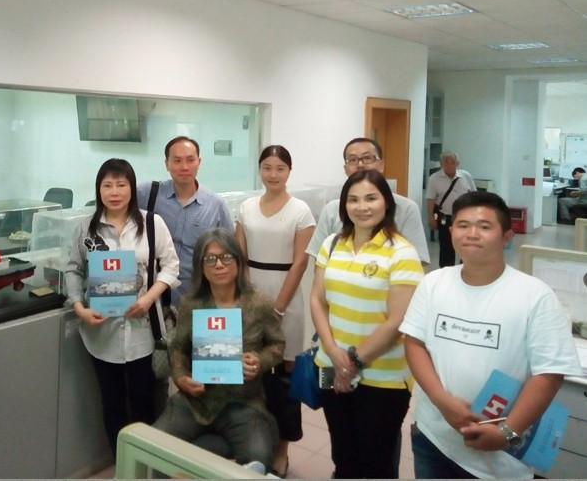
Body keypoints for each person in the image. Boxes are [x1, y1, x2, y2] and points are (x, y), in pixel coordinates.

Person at [400, 191, 581, 479]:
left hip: (498, 457)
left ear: (507, 236)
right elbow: (414, 343)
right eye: (463, 225)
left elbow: (549, 373)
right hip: (432, 436)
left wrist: (507, 433)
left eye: (484, 227)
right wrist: (442, 401)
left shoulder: (534, 295)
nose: (472, 234)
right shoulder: (434, 283)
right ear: (451, 231)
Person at [309, 169, 424, 479]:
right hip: (329, 365)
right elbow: (317, 300)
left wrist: (352, 363)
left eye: (371, 198)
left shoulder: (402, 252)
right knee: (342, 452)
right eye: (353, 199)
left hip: (382, 377)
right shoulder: (332, 244)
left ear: (387, 203)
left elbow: (398, 321)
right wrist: (332, 352)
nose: (362, 207)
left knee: (376, 462)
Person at [65, 158, 180, 455]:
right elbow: (74, 270)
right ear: (99, 189)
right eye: (107, 185)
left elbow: (171, 266)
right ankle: (122, 465)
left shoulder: (152, 223)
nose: (114, 192)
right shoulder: (86, 228)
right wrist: (79, 307)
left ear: (131, 188)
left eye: (121, 184)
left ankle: (145, 466)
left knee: (143, 403)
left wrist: (148, 298)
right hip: (101, 334)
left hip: (143, 332)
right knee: (112, 403)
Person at [153, 228, 285, 471]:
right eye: (210, 259)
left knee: (258, 459)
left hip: (243, 401)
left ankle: (215, 448)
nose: (219, 265)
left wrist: (260, 361)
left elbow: (277, 345)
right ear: (201, 266)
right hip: (196, 401)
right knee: (154, 449)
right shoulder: (191, 304)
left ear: (238, 261)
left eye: (226, 257)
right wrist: (181, 378)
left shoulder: (259, 304)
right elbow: (179, 348)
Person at [235, 145, 315, 476]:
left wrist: (279, 307)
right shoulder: (246, 207)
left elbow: (300, 263)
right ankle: (253, 443)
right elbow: (239, 257)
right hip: (250, 296)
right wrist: (249, 299)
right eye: (267, 167)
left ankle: (282, 449)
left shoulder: (301, 211)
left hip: (288, 300)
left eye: (280, 168)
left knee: (284, 379)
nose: (273, 174)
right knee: (250, 374)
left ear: (289, 171)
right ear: (260, 169)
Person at [136, 136, 234, 307]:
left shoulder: (215, 205)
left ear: (199, 162)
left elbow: (230, 253)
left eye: (190, 160)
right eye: (177, 161)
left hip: (197, 296)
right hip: (151, 296)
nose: (184, 167)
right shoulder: (147, 194)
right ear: (167, 164)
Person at [306, 137, 430, 266]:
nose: (360, 164)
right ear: (345, 168)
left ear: (381, 165)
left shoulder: (407, 208)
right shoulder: (331, 209)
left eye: (367, 158)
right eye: (353, 160)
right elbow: (320, 260)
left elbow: (417, 262)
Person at [426, 151, 476, 267]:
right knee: (446, 245)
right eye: (446, 162)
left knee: (466, 242)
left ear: (457, 163)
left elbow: (474, 195)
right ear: (441, 164)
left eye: (452, 162)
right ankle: (446, 269)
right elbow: (431, 199)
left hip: (464, 217)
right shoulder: (434, 178)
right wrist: (431, 218)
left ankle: (466, 267)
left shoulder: (465, 176)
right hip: (445, 216)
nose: (449, 165)